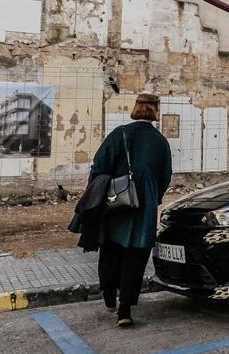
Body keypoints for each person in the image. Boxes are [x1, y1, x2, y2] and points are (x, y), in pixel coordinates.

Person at [70, 93, 172, 327]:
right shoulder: (160, 141)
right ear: (156, 110)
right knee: (135, 257)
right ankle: (124, 311)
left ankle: (109, 299)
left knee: (110, 251)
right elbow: (165, 176)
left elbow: (99, 166)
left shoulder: (119, 134)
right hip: (143, 207)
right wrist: (152, 197)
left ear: (136, 108)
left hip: (114, 204)